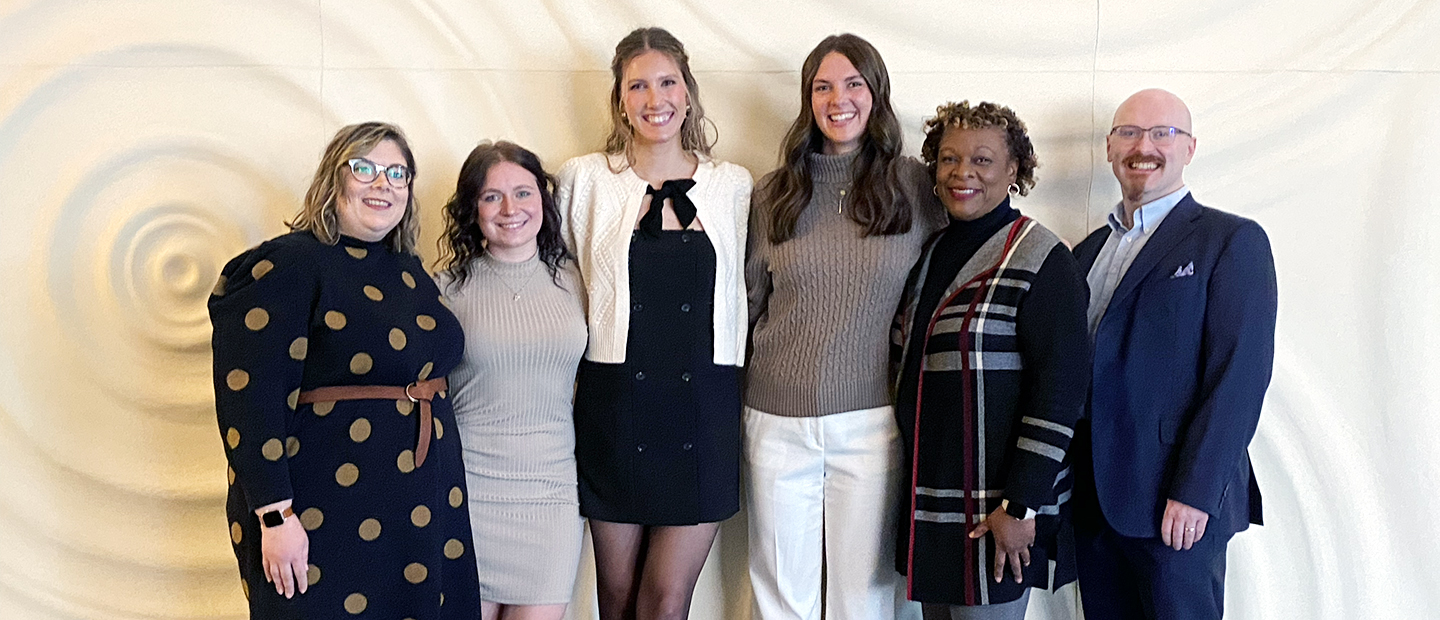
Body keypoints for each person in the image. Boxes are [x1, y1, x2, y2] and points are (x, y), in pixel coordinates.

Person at [209, 122, 480, 619]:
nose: (384, 183)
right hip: (323, 505)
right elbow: (250, 397)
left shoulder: (409, 270)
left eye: (398, 173)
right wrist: (276, 515)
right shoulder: (288, 265)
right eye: (366, 169)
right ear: (334, 180)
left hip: (421, 501)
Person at [744, 33, 946, 620]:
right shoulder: (773, 193)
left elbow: (952, 264)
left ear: (876, 93)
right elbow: (749, 302)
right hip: (775, 418)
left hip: (871, 418)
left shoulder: (913, 186)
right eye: (823, 86)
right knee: (782, 594)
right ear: (807, 99)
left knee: (869, 595)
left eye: (854, 83)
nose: (839, 99)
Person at [554, 27, 752, 620]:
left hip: (705, 407)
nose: (653, 98)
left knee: (665, 600)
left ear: (688, 93)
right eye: (637, 85)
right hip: (613, 406)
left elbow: (754, 286)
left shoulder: (733, 185)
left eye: (667, 82)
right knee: (615, 597)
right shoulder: (583, 180)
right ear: (619, 99)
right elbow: (558, 281)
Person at [1071, 88, 1278, 620]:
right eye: (1129, 133)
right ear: (1110, 149)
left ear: (1189, 148)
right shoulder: (1087, 251)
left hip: (1175, 506)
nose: (1145, 146)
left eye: (1162, 133)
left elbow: (1239, 378)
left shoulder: (1230, 240)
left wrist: (1195, 492)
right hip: (1095, 503)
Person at [890, 101, 1089, 620]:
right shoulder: (929, 253)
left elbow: (1061, 392)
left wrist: (1020, 506)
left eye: (982, 160)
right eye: (949, 159)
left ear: (1014, 170)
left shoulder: (1042, 257)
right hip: (932, 501)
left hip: (996, 511)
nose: (963, 173)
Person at [438, 141, 585, 620]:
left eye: (523, 193)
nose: (509, 209)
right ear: (471, 209)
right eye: (490, 197)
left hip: (552, 494)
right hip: (467, 493)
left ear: (543, 199)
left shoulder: (579, 282)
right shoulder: (443, 289)